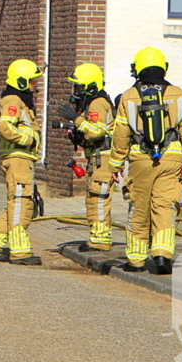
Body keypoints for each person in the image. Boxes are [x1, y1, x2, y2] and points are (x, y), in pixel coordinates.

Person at [108, 47, 182, 275]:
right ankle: (162, 256)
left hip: (140, 158)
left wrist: (116, 163)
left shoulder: (128, 96)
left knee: (139, 205)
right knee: (165, 206)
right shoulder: (178, 93)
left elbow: (120, 133)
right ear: (163, 68)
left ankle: (136, 260)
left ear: (137, 69)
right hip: (172, 157)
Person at [0, 59, 44, 265]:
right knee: (21, 206)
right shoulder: (13, 100)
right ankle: (20, 252)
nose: (35, 84)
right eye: (32, 81)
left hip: (22, 159)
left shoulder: (19, 100)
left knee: (18, 203)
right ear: (22, 81)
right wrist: (28, 139)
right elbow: (6, 127)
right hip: (18, 158)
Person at [55, 63, 116, 252]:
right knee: (93, 197)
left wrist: (75, 118)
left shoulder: (97, 103)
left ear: (91, 86)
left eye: (80, 87)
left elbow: (96, 132)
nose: (76, 92)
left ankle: (100, 240)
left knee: (98, 197)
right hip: (96, 158)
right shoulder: (92, 103)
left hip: (103, 159)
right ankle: (97, 237)